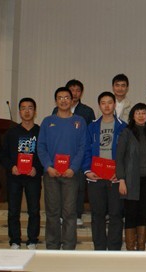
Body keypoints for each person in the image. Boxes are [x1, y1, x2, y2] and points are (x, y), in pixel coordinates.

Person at [37, 87, 87, 250]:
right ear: (55, 101)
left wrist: (73, 168)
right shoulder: (47, 121)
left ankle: (69, 247)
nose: (64, 100)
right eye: (60, 97)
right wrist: (48, 166)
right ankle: (52, 246)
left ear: (72, 100)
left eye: (67, 97)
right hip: (51, 174)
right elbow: (41, 147)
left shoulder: (79, 121)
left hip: (71, 174)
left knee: (69, 213)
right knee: (52, 212)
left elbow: (83, 147)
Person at [82, 92, 127, 250]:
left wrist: (121, 173)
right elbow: (86, 150)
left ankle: (114, 249)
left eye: (110, 102)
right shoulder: (92, 126)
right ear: (99, 105)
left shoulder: (123, 127)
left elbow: (127, 154)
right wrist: (87, 170)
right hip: (96, 177)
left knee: (116, 214)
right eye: (103, 103)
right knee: (97, 214)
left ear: (114, 105)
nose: (107, 106)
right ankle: (99, 248)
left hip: (115, 178)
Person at [0, 98, 42, 250]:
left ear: (35, 112)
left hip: (33, 177)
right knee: (13, 210)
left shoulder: (40, 132)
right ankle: (15, 240)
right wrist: (11, 167)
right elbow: (3, 155)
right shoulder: (11, 133)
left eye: (30, 108)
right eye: (23, 108)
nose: (27, 111)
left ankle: (32, 240)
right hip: (14, 177)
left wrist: (37, 168)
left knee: (34, 210)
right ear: (19, 112)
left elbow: (45, 154)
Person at [52, 79, 96, 227]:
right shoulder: (56, 111)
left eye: (78, 90)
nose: (75, 93)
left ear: (81, 93)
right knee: (60, 187)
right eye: (72, 90)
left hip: (79, 155)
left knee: (79, 186)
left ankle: (77, 214)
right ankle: (60, 214)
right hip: (60, 156)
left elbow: (89, 135)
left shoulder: (87, 111)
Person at [116, 103, 146, 251]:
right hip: (130, 181)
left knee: (143, 214)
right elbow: (119, 158)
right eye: (138, 113)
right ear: (133, 116)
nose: (141, 116)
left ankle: (141, 248)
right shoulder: (126, 133)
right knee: (131, 214)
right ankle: (130, 249)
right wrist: (121, 179)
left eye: (143, 113)